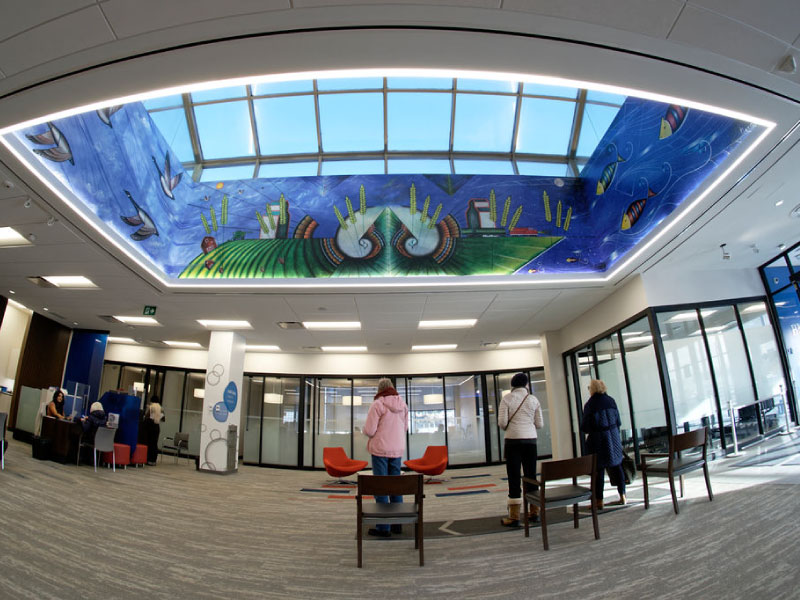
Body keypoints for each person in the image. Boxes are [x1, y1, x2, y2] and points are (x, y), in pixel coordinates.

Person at [363, 377, 408, 538]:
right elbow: (405, 427)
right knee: (396, 487)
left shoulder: (378, 404)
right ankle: (398, 524)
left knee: (381, 487)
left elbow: (369, 430)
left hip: (380, 450)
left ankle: (384, 528)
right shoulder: (403, 404)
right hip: (397, 450)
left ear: (380, 389)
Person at [498, 372, 544, 527]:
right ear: (526, 385)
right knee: (531, 475)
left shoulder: (506, 399)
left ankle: (514, 516)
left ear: (512, 385)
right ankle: (534, 512)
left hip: (512, 442)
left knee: (513, 476)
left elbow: (502, 423)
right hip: (531, 441)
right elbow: (539, 424)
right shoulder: (533, 399)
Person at [581, 379, 626, 509]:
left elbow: (585, 426)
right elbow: (618, 421)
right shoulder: (611, 401)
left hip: (598, 440)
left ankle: (599, 501)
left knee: (598, 471)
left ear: (592, 389)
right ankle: (622, 495)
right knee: (617, 466)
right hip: (613, 438)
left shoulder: (590, 405)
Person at [142, 395, 164, 465]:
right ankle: (153, 459)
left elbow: (147, 416)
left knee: (149, 442)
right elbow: (163, 419)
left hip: (150, 425)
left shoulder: (151, 407)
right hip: (157, 426)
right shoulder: (161, 408)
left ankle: (148, 459)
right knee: (154, 443)